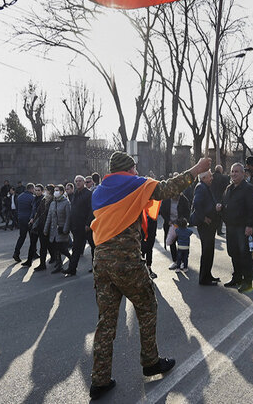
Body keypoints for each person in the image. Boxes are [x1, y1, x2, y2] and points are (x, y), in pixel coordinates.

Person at [87, 151, 210, 400]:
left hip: (101, 261)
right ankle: (150, 362)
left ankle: (99, 380)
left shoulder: (99, 191)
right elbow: (166, 189)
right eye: (134, 167)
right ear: (127, 168)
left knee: (106, 322)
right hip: (126, 260)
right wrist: (196, 169)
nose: (136, 171)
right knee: (146, 307)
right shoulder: (133, 184)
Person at [218, 163, 253, 293]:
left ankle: (247, 282)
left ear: (243, 174)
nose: (234, 174)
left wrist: (250, 225)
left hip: (243, 228)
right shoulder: (228, 188)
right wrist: (220, 209)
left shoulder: (248, 189)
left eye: (237, 171)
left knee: (244, 255)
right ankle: (236, 278)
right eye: (232, 171)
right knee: (233, 253)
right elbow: (226, 204)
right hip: (231, 227)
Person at [191, 169, 220, 285]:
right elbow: (197, 204)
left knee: (209, 251)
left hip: (209, 224)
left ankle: (208, 274)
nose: (212, 178)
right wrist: (204, 218)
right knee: (207, 251)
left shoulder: (205, 186)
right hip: (205, 225)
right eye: (210, 176)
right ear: (203, 178)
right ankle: (204, 278)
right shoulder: (200, 187)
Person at [66, 176, 93, 276]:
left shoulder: (89, 194)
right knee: (76, 248)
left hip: (86, 226)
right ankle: (72, 269)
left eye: (80, 181)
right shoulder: (75, 194)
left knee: (93, 246)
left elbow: (91, 210)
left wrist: (88, 223)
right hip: (76, 226)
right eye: (76, 181)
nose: (78, 183)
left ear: (84, 182)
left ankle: (96, 267)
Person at [159, 187, 190, 271]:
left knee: (181, 243)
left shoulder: (183, 200)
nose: (174, 198)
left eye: (176, 196)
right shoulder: (167, 199)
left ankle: (183, 261)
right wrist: (167, 220)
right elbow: (162, 211)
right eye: (173, 196)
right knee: (172, 242)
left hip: (180, 225)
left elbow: (187, 212)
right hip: (169, 224)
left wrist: (182, 221)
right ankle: (175, 261)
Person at [44, 184, 72, 274]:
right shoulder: (53, 203)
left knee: (62, 249)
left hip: (62, 229)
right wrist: (46, 228)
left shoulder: (66, 203)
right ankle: (59, 265)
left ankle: (72, 259)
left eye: (58, 190)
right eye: (55, 190)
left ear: (62, 192)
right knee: (56, 248)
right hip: (53, 230)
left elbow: (68, 217)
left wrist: (65, 229)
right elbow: (49, 217)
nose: (56, 192)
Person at [12, 183, 36, 262]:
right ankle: (34, 253)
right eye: (34, 189)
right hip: (29, 220)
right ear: (31, 189)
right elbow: (33, 209)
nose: (34, 191)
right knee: (32, 237)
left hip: (21, 218)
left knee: (22, 237)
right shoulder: (32, 198)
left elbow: (17, 207)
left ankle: (16, 253)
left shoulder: (19, 196)